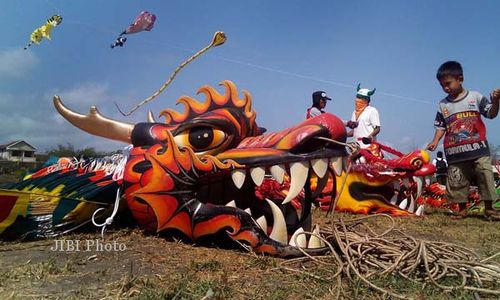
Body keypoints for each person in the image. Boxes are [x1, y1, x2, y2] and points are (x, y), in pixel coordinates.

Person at [426, 61, 500, 220]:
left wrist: (495, 101)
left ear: (460, 79)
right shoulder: (443, 105)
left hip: (478, 148)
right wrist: (435, 141)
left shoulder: (475, 97)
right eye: (441, 85)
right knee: (457, 178)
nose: (445, 88)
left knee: (485, 173)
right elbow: (441, 126)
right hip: (455, 151)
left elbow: (491, 114)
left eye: (448, 83)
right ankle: (461, 210)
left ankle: (489, 209)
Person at [348, 84, 381, 156]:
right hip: (355, 149)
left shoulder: (372, 111)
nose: (357, 101)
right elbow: (354, 131)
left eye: (360, 99)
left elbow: (377, 128)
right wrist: (344, 135)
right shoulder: (354, 112)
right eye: (357, 98)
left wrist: (370, 136)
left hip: (368, 148)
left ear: (366, 100)